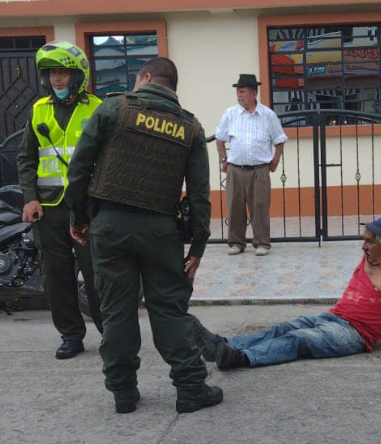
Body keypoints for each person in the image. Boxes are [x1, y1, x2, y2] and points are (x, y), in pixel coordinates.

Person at [65, 57, 222, 414]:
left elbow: (79, 168)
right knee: (168, 309)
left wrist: (78, 217)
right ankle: (190, 389)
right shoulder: (190, 128)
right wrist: (198, 245)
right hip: (160, 230)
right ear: (172, 87)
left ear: (146, 78)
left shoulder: (113, 109)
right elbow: (199, 195)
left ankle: (123, 393)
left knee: (117, 311)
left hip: (109, 225)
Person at [191, 217, 381, 370]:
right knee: (286, 326)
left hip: (354, 336)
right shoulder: (370, 257)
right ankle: (223, 344)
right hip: (334, 318)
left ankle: (240, 358)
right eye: (364, 240)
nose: (363, 247)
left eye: (369, 242)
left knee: (297, 340)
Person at [16, 40, 103, 360]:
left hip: (88, 208)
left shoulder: (97, 108)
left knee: (97, 274)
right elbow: (26, 159)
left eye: (63, 73)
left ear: (77, 76)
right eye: (52, 73)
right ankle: (70, 335)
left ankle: (110, 332)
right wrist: (29, 198)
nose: (56, 79)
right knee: (57, 276)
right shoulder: (38, 110)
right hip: (49, 209)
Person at [215, 74, 288, 257]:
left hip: (259, 170)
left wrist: (275, 161)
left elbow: (279, 140)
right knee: (234, 207)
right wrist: (224, 160)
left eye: (242, 91)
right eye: (237, 92)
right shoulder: (230, 114)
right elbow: (219, 139)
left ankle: (262, 243)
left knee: (260, 207)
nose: (238, 95)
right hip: (235, 169)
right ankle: (236, 243)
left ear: (253, 93)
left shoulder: (267, 115)